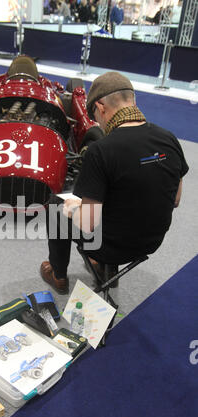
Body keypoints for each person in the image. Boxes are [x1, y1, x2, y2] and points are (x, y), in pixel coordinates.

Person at [40, 71, 189, 294]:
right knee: (120, 196)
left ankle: (58, 274)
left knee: (56, 206)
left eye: (95, 116)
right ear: (132, 101)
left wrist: (71, 206)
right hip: (151, 242)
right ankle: (105, 270)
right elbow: (175, 200)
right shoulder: (168, 138)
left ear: (101, 107)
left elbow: (87, 223)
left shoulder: (101, 150)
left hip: (109, 246)